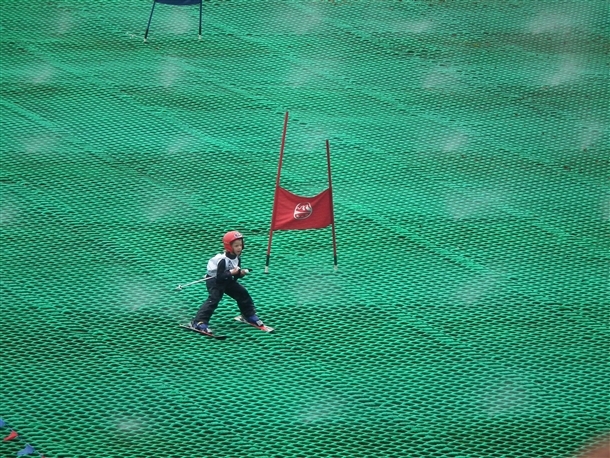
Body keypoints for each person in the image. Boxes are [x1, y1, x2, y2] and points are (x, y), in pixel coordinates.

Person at [190, 231, 265, 333]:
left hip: (227, 280)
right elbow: (219, 277)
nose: (239, 248)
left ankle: (248, 314)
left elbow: (235, 276)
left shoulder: (237, 258)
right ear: (229, 247)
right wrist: (231, 273)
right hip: (215, 281)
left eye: (240, 245)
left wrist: (240, 273)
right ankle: (199, 322)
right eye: (236, 246)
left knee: (242, 293)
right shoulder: (222, 260)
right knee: (214, 299)